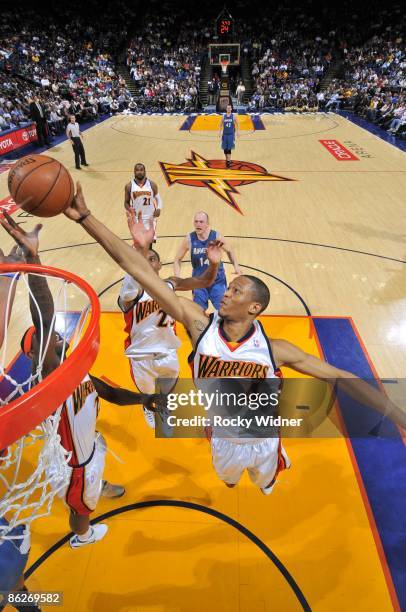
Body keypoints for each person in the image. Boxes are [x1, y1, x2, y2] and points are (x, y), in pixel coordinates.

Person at [63, 184, 406, 494]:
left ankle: (268, 472)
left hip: (265, 441)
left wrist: (395, 412)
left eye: (235, 291)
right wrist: (86, 219)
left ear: (254, 307)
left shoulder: (276, 351)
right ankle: (232, 472)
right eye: (227, 288)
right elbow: (135, 267)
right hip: (223, 438)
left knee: (264, 481)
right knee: (227, 480)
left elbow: (342, 378)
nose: (225, 295)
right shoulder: (199, 326)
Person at [0, 215, 162, 547]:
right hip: (74, 463)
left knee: (95, 448)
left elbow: (107, 392)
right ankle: (83, 536)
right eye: (48, 340)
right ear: (39, 355)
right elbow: (43, 317)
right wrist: (33, 260)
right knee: (81, 506)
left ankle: (95, 486)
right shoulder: (51, 375)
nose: (58, 336)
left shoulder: (73, 368)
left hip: (87, 441)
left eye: (56, 336)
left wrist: (141, 400)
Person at [120, 216, 222, 428]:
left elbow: (204, 281)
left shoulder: (170, 284)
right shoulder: (132, 291)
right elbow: (134, 272)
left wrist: (214, 265)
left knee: (167, 389)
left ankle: (164, 405)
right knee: (148, 394)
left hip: (168, 351)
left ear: (159, 264)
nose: (147, 261)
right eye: (143, 258)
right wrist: (141, 247)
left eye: (151, 258)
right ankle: (148, 407)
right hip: (141, 355)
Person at [173, 211, 241, 311]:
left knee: (224, 311)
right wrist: (177, 278)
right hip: (198, 283)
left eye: (201, 222)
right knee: (198, 312)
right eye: (196, 222)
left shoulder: (216, 236)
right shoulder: (189, 239)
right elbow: (177, 259)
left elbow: (230, 250)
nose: (198, 224)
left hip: (217, 282)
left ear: (207, 224)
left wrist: (236, 267)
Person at [124, 163, 162, 244]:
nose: (139, 172)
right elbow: (126, 203)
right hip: (137, 218)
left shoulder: (152, 184)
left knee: (149, 242)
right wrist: (129, 208)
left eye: (141, 170)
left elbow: (159, 199)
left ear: (145, 171)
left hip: (150, 218)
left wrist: (159, 208)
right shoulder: (129, 186)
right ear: (134, 172)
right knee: (139, 243)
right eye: (137, 170)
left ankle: (147, 256)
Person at [219, 103, 238, 167]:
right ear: (226, 109)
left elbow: (237, 124)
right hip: (224, 134)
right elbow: (220, 124)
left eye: (230, 108)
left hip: (231, 134)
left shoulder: (233, 116)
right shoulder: (223, 116)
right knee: (225, 149)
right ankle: (227, 160)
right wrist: (219, 132)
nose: (229, 109)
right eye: (227, 108)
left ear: (231, 109)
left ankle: (228, 161)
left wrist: (237, 132)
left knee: (229, 149)